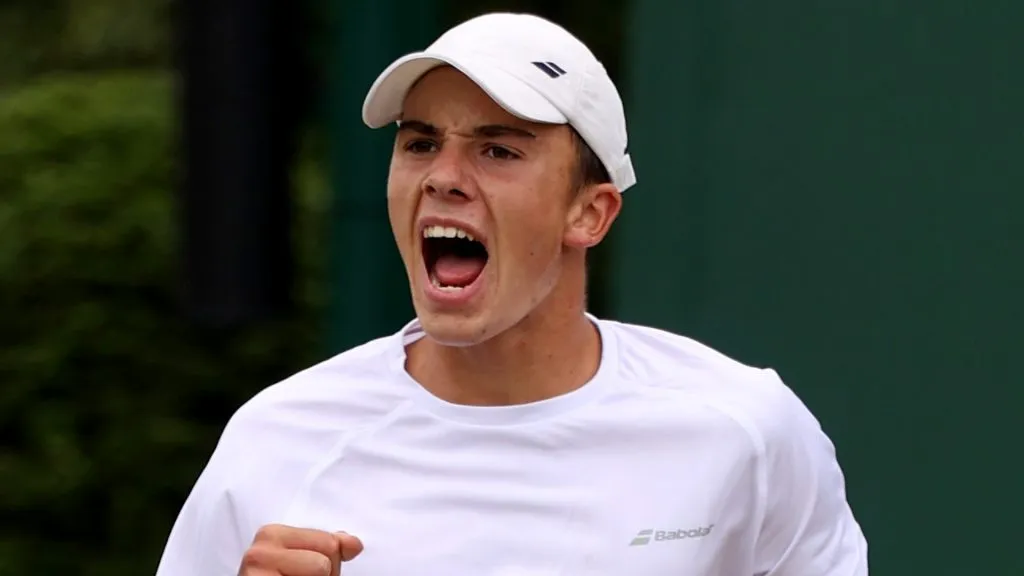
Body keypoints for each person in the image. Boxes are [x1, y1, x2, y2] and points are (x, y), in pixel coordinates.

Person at [155, 12, 868, 576]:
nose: (444, 176)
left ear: (589, 213)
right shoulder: (278, 437)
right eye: (420, 142)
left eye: (498, 149)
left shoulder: (745, 429)